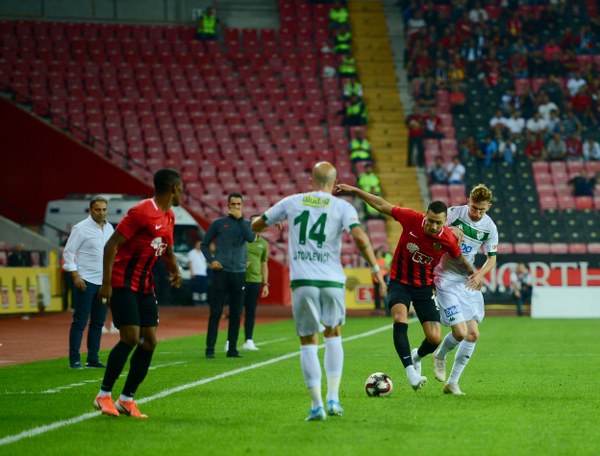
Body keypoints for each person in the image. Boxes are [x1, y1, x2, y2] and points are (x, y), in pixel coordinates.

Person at [251, 162, 386, 421]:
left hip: (303, 281)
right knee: (333, 334)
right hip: (332, 281)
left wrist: (269, 224)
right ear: (334, 184)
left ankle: (317, 406)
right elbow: (360, 237)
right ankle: (334, 399)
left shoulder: (292, 201)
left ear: (311, 181)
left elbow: (258, 224)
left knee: (308, 341)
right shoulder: (342, 207)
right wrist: (375, 269)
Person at [334, 183, 475, 392]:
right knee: (400, 317)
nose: (433, 226)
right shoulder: (411, 218)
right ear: (425, 215)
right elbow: (381, 205)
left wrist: (474, 274)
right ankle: (411, 373)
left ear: (445, 223)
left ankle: (417, 355)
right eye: (431, 221)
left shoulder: (447, 239)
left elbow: (459, 259)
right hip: (399, 282)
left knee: (434, 338)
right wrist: (355, 191)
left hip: (425, 288)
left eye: (439, 223)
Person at [93, 169, 183, 418]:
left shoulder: (170, 216)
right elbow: (112, 245)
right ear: (173, 188)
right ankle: (103, 395)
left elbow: (167, 251)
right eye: (181, 188)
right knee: (131, 337)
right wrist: (107, 283)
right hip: (123, 283)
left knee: (149, 341)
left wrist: (175, 271)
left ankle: (127, 399)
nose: (183, 192)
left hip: (145, 286)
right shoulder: (141, 211)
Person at [431, 184, 499, 395]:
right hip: (445, 277)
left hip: (467, 278)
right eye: (474, 208)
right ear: (468, 201)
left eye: (482, 209)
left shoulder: (489, 227)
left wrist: (479, 274)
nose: (477, 213)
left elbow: (492, 258)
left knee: (473, 334)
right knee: (459, 333)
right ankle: (439, 355)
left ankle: (452, 383)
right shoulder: (452, 213)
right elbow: (432, 229)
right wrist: (449, 229)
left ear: (489, 206)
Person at [201, 193, 255, 359]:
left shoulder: (246, 224)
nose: (236, 207)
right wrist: (211, 261)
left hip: (238, 273)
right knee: (215, 312)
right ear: (228, 205)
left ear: (242, 206)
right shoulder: (218, 223)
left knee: (237, 313)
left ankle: (232, 349)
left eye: (239, 204)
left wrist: (240, 220)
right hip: (221, 272)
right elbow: (204, 244)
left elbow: (250, 238)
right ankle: (210, 348)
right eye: (233, 204)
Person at [63, 195, 114, 369]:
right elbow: (69, 253)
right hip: (85, 281)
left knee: (99, 322)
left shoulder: (110, 228)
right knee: (80, 321)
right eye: (98, 209)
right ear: (90, 210)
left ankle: (93, 358)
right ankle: (74, 359)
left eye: (104, 209)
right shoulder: (81, 228)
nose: (102, 213)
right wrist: (75, 275)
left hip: (104, 283)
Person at [242, 215, 270, 351]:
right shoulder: (242, 240)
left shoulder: (263, 244)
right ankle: (230, 340)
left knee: (251, 311)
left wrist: (265, 284)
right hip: (240, 278)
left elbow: (264, 264)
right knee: (235, 311)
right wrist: (241, 263)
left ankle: (248, 340)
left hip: (255, 280)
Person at [188, 240, 208, 306]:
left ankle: (203, 301)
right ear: (195, 245)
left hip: (203, 273)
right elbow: (190, 263)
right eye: (198, 244)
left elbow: (205, 262)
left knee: (203, 288)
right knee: (196, 287)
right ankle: (196, 301)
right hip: (196, 273)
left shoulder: (203, 253)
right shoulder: (191, 253)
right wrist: (192, 272)